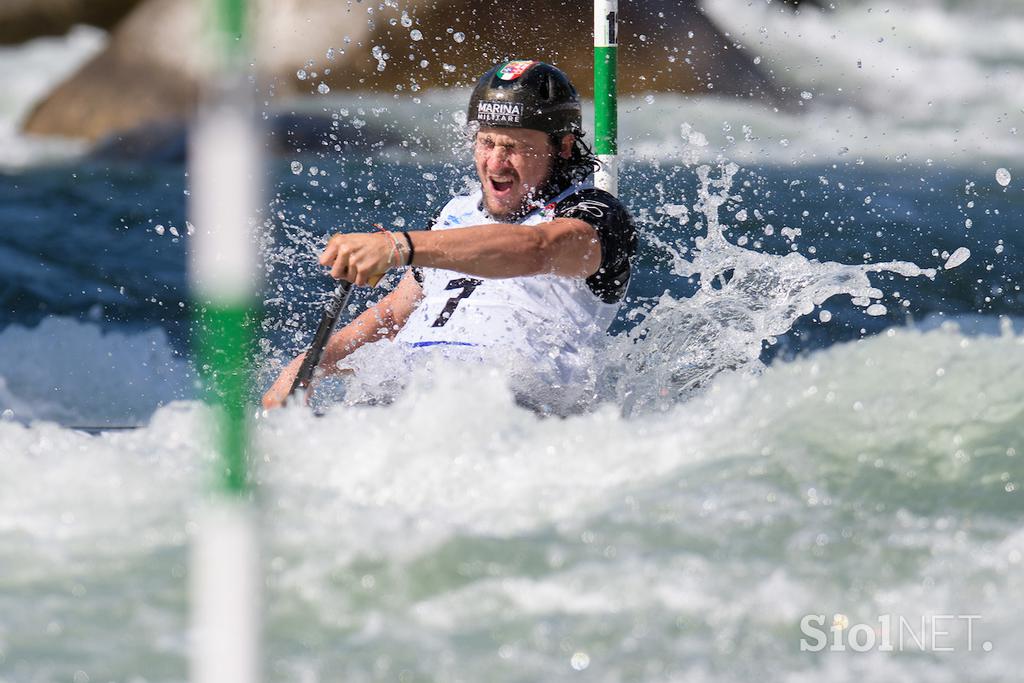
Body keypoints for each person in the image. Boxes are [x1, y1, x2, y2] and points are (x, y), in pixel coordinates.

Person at [262, 60, 637, 411]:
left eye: (514, 147)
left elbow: (536, 249)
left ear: (563, 147)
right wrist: (309, 364)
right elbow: (393, 314)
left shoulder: (596, 217)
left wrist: (399, 246)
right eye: (487, 143)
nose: (495, 162)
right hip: (406, 397)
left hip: (511, 408)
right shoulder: (453, 214)